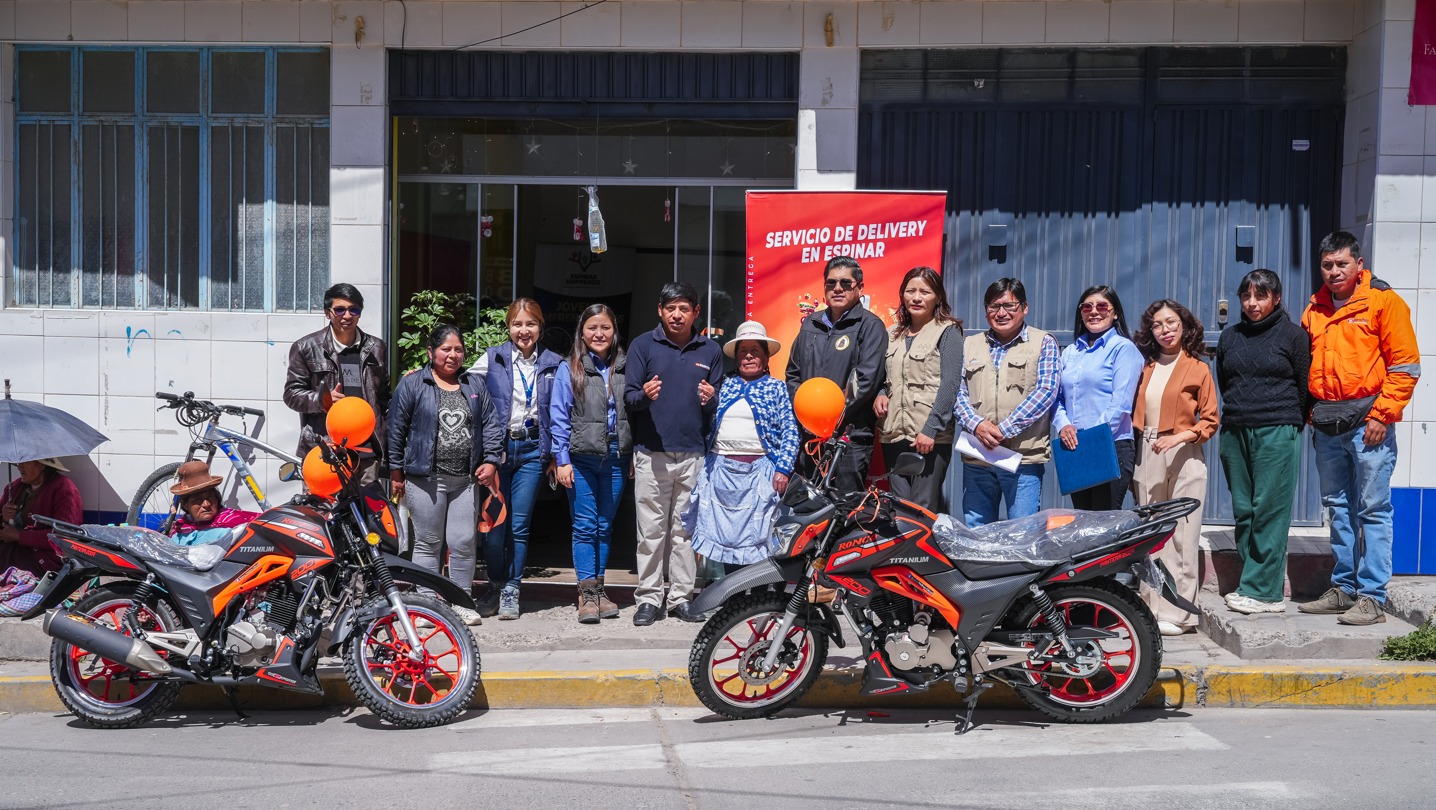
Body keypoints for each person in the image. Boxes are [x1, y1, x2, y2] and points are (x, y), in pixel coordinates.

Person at [1298, 231, 1420, 626]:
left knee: (1373, 509)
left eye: (1341, 264)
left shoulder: (1383, 302)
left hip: (1369, 423)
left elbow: (1405, 366)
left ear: (1359, 265)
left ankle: (1372, 596)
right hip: (1328, 422)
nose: (1334, 272)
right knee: (1337, 508)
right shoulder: (1314, 309)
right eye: (1327, 265)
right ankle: (1343, 588)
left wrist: (1383, 416)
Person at [387, 324, 503, 627]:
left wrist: (491, 461)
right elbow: (395, 429)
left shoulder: (474, 384)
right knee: (428, 541)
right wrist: (396, 471)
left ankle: (461, 601)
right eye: (446, 349)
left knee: (463, 541)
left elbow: (491, 424)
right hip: (424, 478)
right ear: (431, 352)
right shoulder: (413, 384)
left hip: (465, 480)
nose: (453, 355)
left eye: (458, 349)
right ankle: (426, 604)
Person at [623, 283, 724, 626]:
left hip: (693, 453)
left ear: (696, 312)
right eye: (671, 308)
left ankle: (682, 596)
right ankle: (649, 598)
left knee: (685, 532)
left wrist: (711, 399)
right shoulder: (642, 345)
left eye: (684, 308)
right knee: (650, 531)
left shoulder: (710, 350)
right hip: (652, 453)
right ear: (660, 311)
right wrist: (645, 395)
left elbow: (718, 405)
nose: (677, 315)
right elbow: (629, 398)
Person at [1216, 269, 1312, 615]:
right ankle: (1252, 581)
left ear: (1277, 298)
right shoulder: (1230, 337)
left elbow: (1305, 388)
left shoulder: (1293, 337)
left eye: (1261, 296)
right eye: (1246, 296)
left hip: (1277, 429)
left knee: (1269, 510)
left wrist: (1288, 423)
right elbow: (1225, 380)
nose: (1252, 303)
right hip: (1236, 429)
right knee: (1245, 511)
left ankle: (1264, 592)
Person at [1130, 300, 1219, 636]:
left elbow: (1210, 420)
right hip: (1149, 448)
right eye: (1157, 324)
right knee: (1152, 533)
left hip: (1185, 451)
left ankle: (1179, 614)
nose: (1165, 330)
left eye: (1171, 322)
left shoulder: (1197, 368)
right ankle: (1151, 607)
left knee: (1183, 533)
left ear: (1184, 326)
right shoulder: (1145, 368)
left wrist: (1180, 436)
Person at [472, 299, 564, 620]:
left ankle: (512, 589)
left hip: (532, 452)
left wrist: (555, 453)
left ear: (540, 327)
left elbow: (562, 410)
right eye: (517, 324)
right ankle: (495, 585)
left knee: (520, 526)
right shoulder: (493, 357)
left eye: (530, 324)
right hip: (497, 454)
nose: (523, 331)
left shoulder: (554, 363)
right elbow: (461, 382)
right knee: (494, 527)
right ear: (508, 327)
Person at [688, 321, 800, 572]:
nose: (749, 356)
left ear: (766, 356)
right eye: (743, 351)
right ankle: (733, 605)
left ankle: (760, 604)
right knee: (728, 540)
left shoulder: (777, 388)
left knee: (760, 539)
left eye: (755, 351)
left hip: (760, 474)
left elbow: (790, 431)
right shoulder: (724, 385)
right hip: (722, 474)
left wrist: (783, 468)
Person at [954, 278, 1062, 526]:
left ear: (1025, 307)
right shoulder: (969, 344)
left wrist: (1004, 430)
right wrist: (977, 425)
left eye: (1009, 305)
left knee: (1021, 534)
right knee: (977, 532)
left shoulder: (1043, 342)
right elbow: (956, 392)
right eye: (993, 306)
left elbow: (1046, 391)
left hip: (1022, 458)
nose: (1001, 313)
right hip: (978, 456)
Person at [551, 304, 633, 625]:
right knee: (584, 526)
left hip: (616, 458)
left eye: (606, 328)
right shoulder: (569, 369)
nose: (599, 334)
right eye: (592, 328)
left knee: (604, 525)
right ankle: (586, 593)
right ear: (582, 333)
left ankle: (600, 590)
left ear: (615, 332)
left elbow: (635, 413)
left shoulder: (627, 367)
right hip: (580, 460)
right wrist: (562, 460)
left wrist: (632, 454)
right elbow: (558, 417)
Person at [786, 255, 889, 494]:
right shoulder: (810, 324)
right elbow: (793, 373)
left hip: (849, 437)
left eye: (845, 283)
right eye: (831, 283)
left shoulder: (870, 325)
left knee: (842, 511)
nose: (838, 289)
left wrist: (830, 417)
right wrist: (806, 411)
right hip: (811, 438)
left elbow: (867, 379)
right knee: (812, 509)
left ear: (860, 288)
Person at [873, 267, 962, 512]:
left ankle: (924, 553)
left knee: (922, 510)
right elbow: (883, 378)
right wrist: (880, 395)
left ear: (938, 297)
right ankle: (903, 553)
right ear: (902, 295)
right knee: (901, 510)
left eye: (925, 291)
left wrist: (931, 429)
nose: (916, 297)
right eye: (910, 291)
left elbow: (950, 384)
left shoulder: (948, 331)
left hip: (929, 437)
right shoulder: (892, 333)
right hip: (893, 434)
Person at [283, 283, 391, 483]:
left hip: (365, 453)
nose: (347, 316)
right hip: (325, 451)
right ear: (328, 312)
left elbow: (384, 398)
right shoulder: (305, 347)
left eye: (354, 310)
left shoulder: (377, 348)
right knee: (322, 511)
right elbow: (291, 394)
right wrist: (321, 400)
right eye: (340, 309)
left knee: (365, 512)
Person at [1053, 285, 1144, 511]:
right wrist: (1063, 425)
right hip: (1075, 447)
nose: (1094, 312)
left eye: (1102, 306)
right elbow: (1056, 398)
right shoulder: (1071, 352)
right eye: (1087, 307)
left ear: (1115, 313)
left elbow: (1121, 404)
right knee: (1083, 523)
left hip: (1110, 446)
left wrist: (1090, 437)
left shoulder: (1124, 349)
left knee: (1104, 523)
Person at [1, 458, 82, 576]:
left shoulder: (64, 488)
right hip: (11, 551)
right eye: (19, 462)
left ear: (42, 464)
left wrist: (19, 536)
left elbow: (65, 536)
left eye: (25, 462)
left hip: (42, 561)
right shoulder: (15, 487)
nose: (19, 467)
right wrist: (4, 517)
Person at [167, 461, 259, 546]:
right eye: (198, 499)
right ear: (185, 505)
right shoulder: (180, 530)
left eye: (210, 497)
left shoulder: (232, 527)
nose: (206, 504)